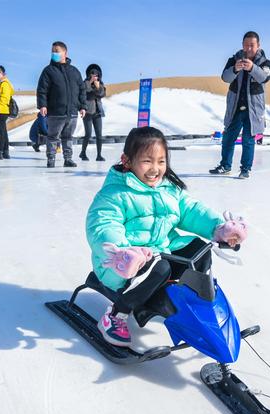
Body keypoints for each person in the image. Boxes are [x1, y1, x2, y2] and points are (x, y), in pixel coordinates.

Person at [86, 127, 248, 346]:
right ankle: (116, 315)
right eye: (147, 161)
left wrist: (219, 228)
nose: (155, 169)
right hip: (122, 263)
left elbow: (192, 210)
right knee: (159, 267)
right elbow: (103, 225)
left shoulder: (168, 189)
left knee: (199, 251)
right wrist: (123, 253)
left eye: (161, 161)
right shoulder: (114, 194)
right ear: (127, 160)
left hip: (161, 248)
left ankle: (190, 305)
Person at [209, 31, 270, 179]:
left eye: (252, 45)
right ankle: (225, 165)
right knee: (228, 137)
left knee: (248, 139)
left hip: (253, 109)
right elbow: (225, 77)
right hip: (235, 106)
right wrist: (235, 69)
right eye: (246, 45)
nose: (249, 48)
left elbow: (264, 77)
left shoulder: (264, 62)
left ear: (258, 45)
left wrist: (252, 68)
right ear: (242, 45)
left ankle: (245, 169)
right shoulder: (234, 59)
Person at [36, 41, 87, 168]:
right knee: (53, 136)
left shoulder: (74, 71)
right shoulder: (48, 71)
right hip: (55, 112)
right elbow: (42, 89)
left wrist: (83, 106)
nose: (54, 53)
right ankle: (51, 158)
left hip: (72, 112)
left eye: (57, 51)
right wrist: (42, 105)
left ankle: (68, 159)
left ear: (65, 53)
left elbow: (81, 90)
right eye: (52, 51)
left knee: (68, 137)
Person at [79, 64, 106, 162]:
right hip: (88, 112)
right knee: (88, 134)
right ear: (89, 75)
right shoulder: (85, 83)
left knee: (99, 135)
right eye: (93, 74)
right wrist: (90, 82)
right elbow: (86, 95)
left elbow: (102, 94)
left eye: (96, 75)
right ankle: (83, 153)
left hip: (98, 112)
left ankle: (99, 155)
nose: (95, 76)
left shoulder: (100, 84)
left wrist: (98, 87)